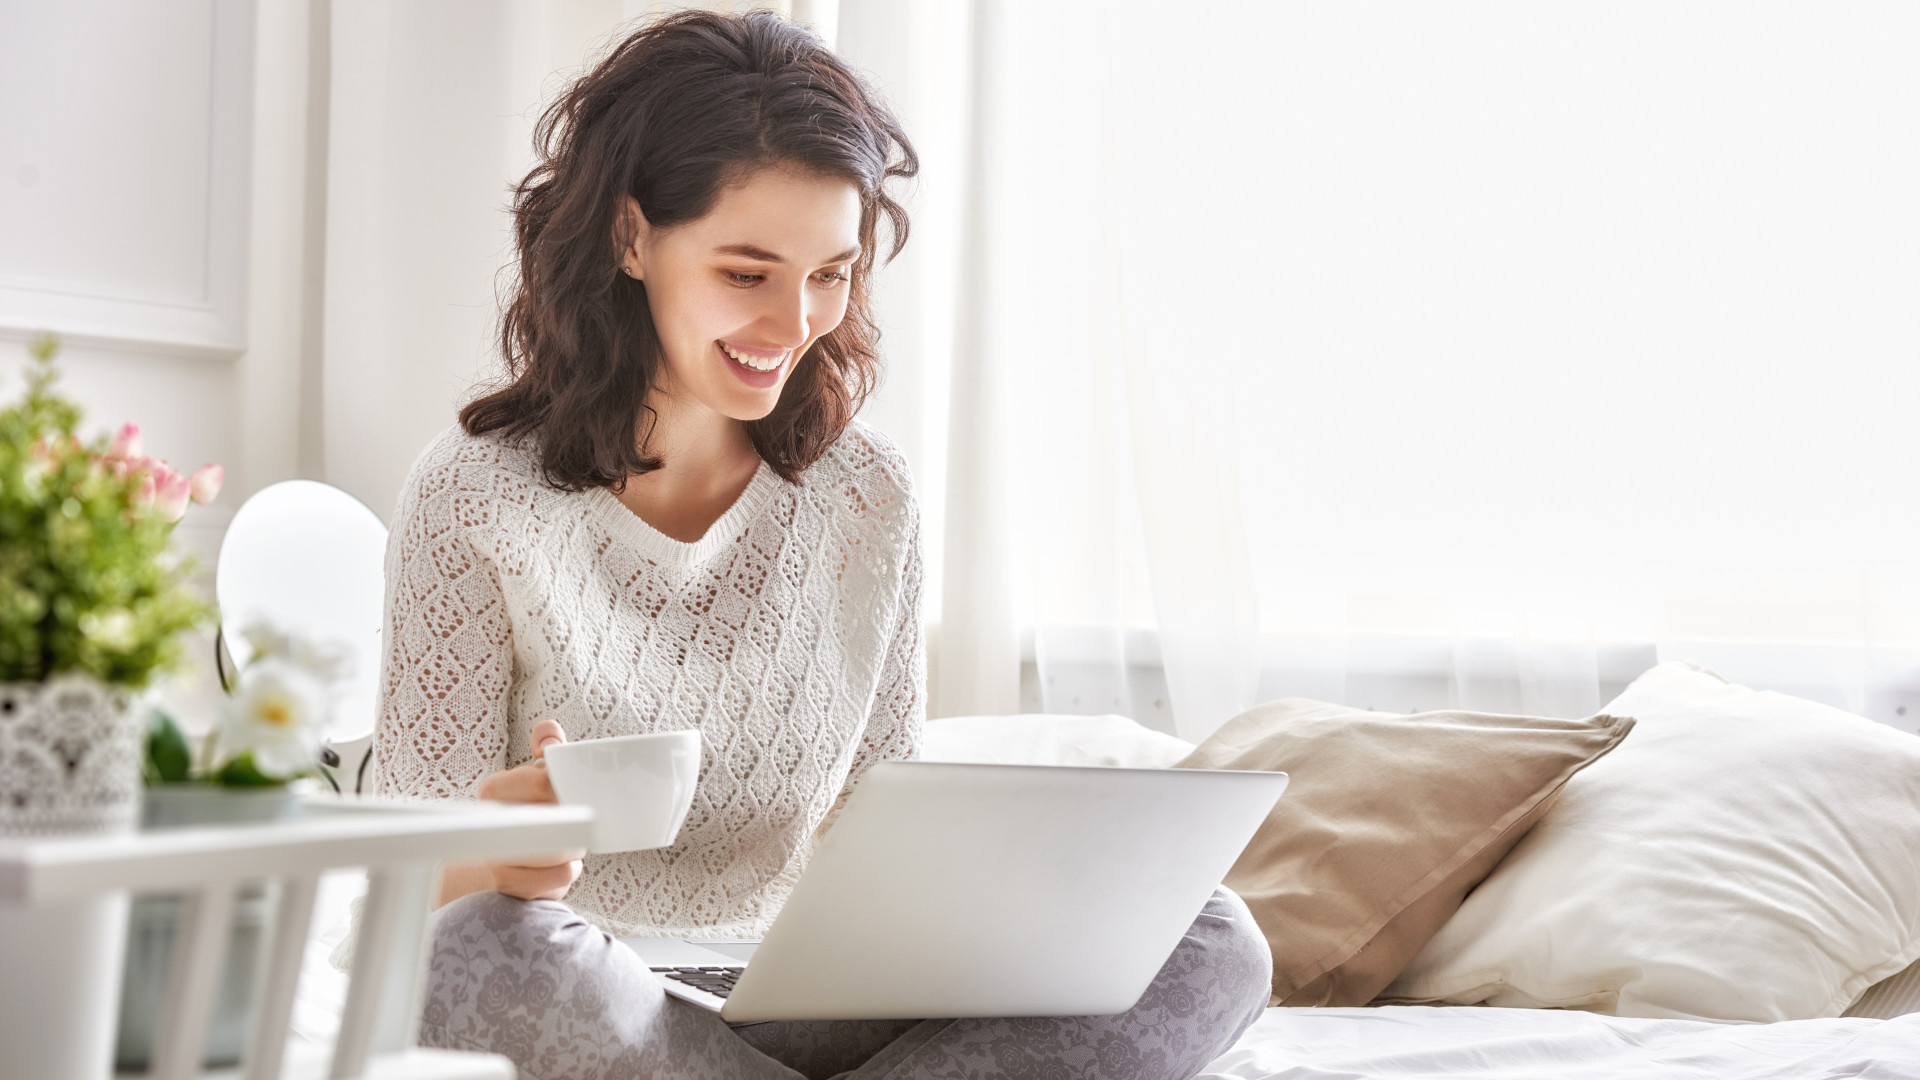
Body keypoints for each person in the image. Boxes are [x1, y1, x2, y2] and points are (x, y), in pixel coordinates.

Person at [374, 10, 1272, 1079]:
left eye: (830, 274)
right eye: (747, 273)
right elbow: (407, 902)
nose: (792, 323)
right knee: (480, 957)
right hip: (588, 987)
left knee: (1212, 935)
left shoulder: (868, 497)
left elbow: (882, 837)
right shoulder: (475, 492)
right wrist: (494, 852)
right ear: (630, 237)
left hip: (798, 999)